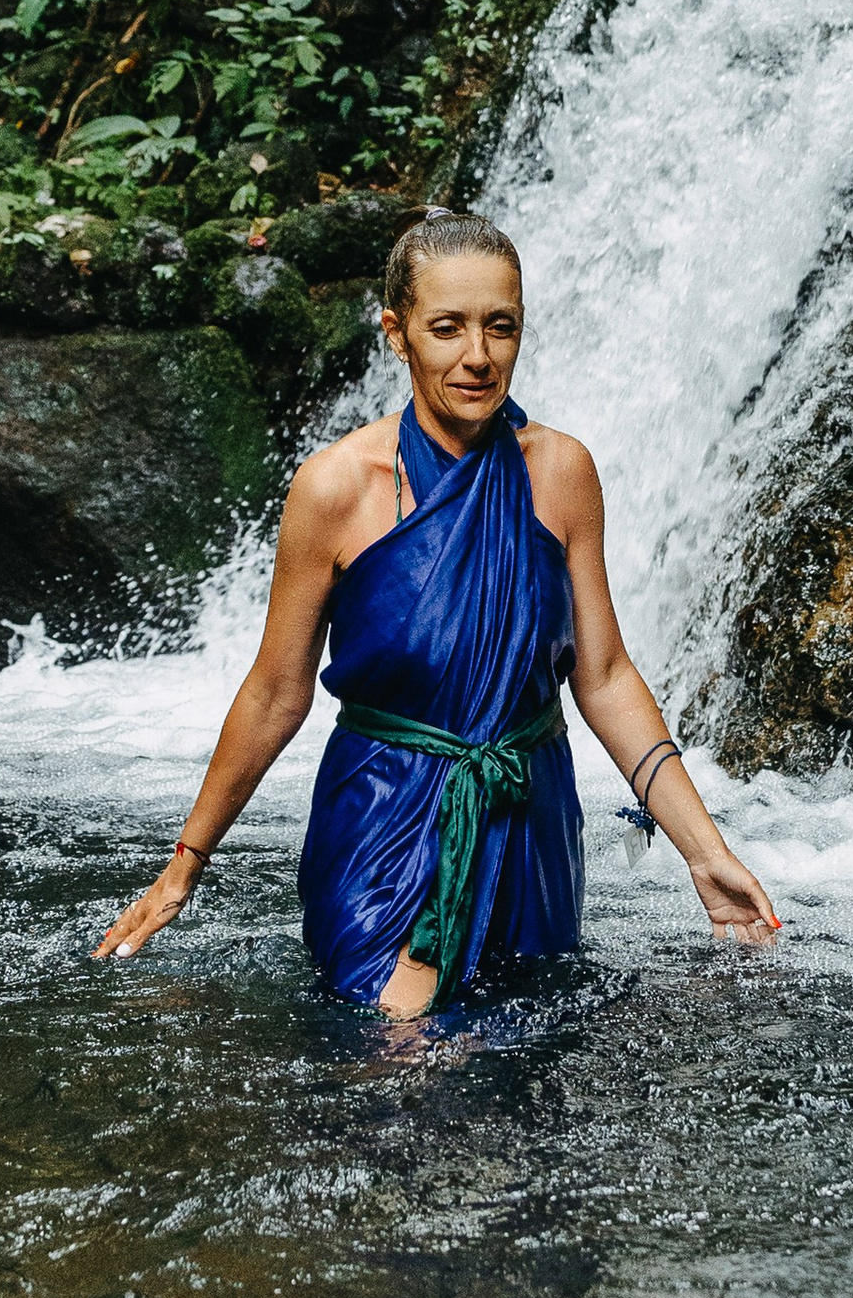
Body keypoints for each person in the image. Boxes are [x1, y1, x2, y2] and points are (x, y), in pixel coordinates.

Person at [92, 210, 781, 1013]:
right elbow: (277, 692)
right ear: (397, 331)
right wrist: (186, 864)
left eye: (501, 328)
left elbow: (602, 677)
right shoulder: (334, 489)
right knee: (388, 1071)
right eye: (447, 328)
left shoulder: (562, 473)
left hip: (531, 820)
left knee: (524, 1082)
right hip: (383, 822)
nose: (478, 357)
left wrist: (705, 852)